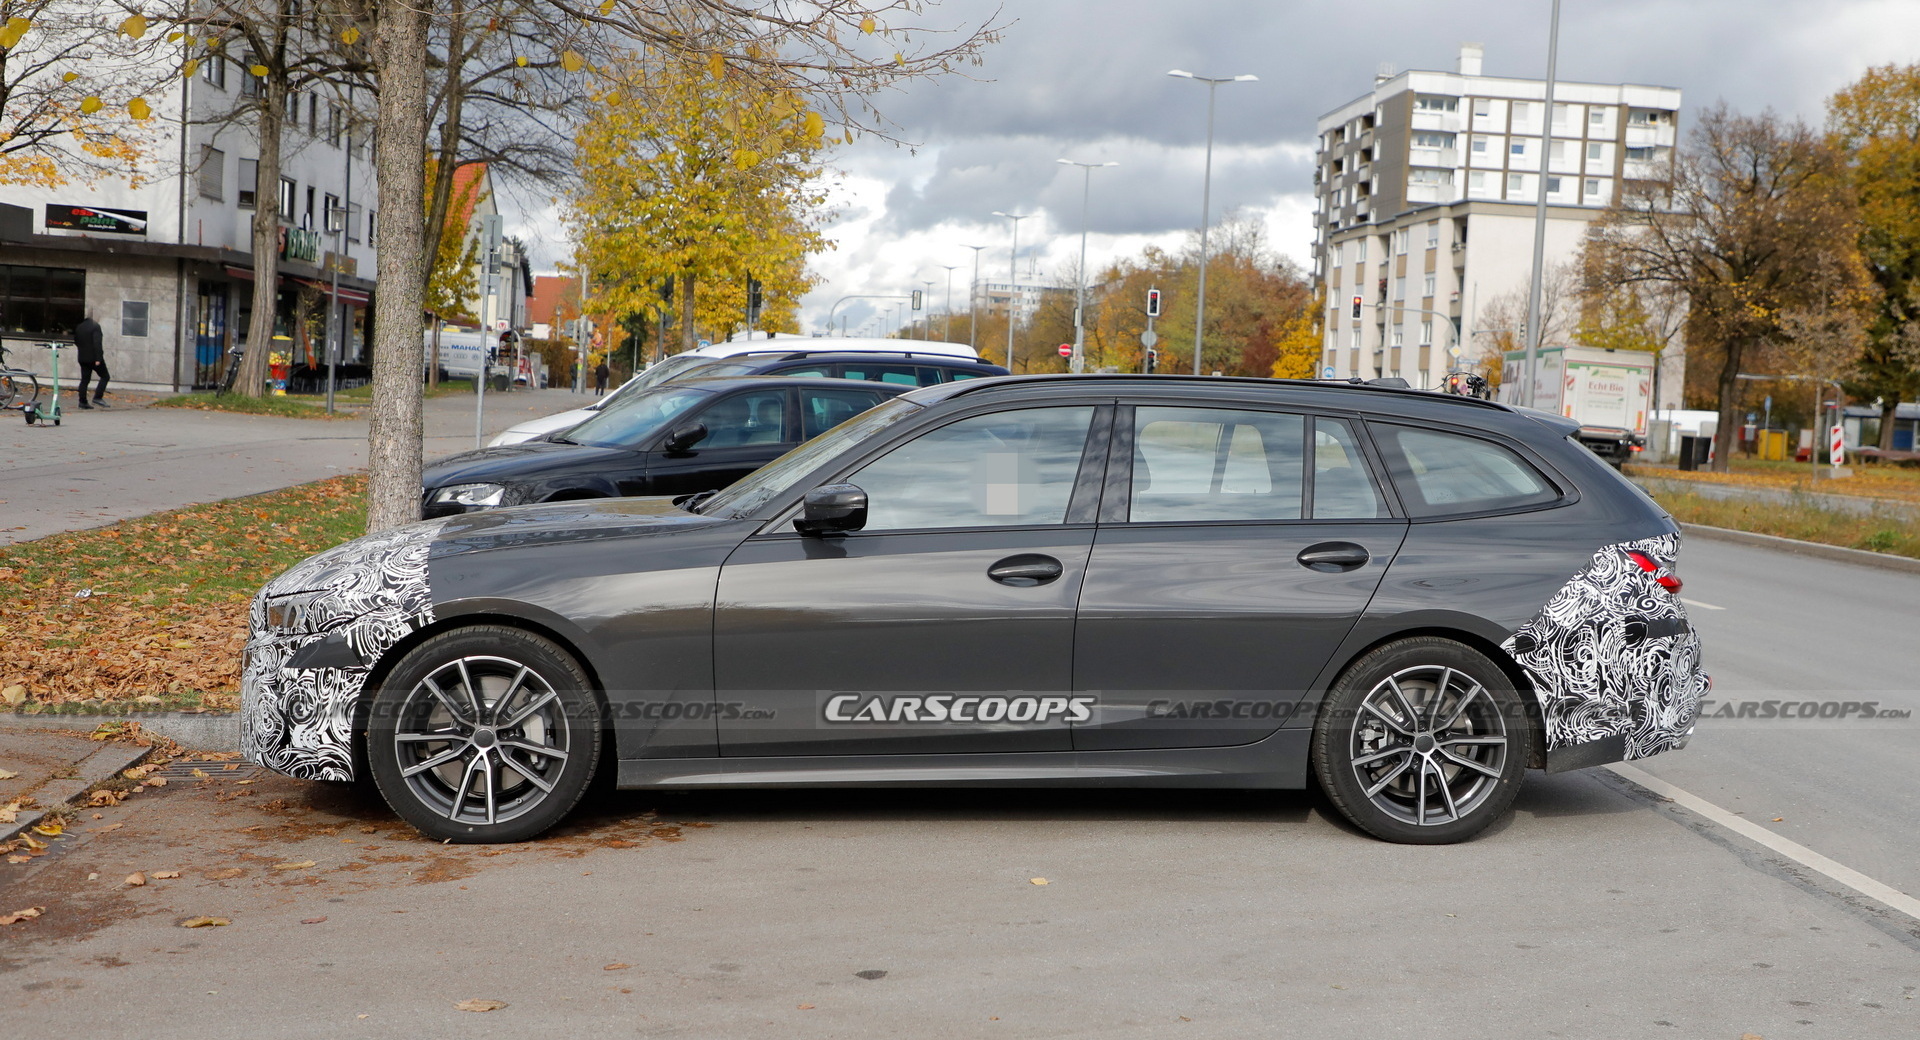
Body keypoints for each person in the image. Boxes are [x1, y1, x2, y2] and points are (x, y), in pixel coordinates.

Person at [74, 313, 110, 409]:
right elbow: (97, 343)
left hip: (82, 358)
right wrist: (98, 358)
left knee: (85, 380)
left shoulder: (79, 327)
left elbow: (76, 341)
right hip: (94, 358)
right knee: (105, 376)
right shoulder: (95, 327)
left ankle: (82, 402)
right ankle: (98, 397)